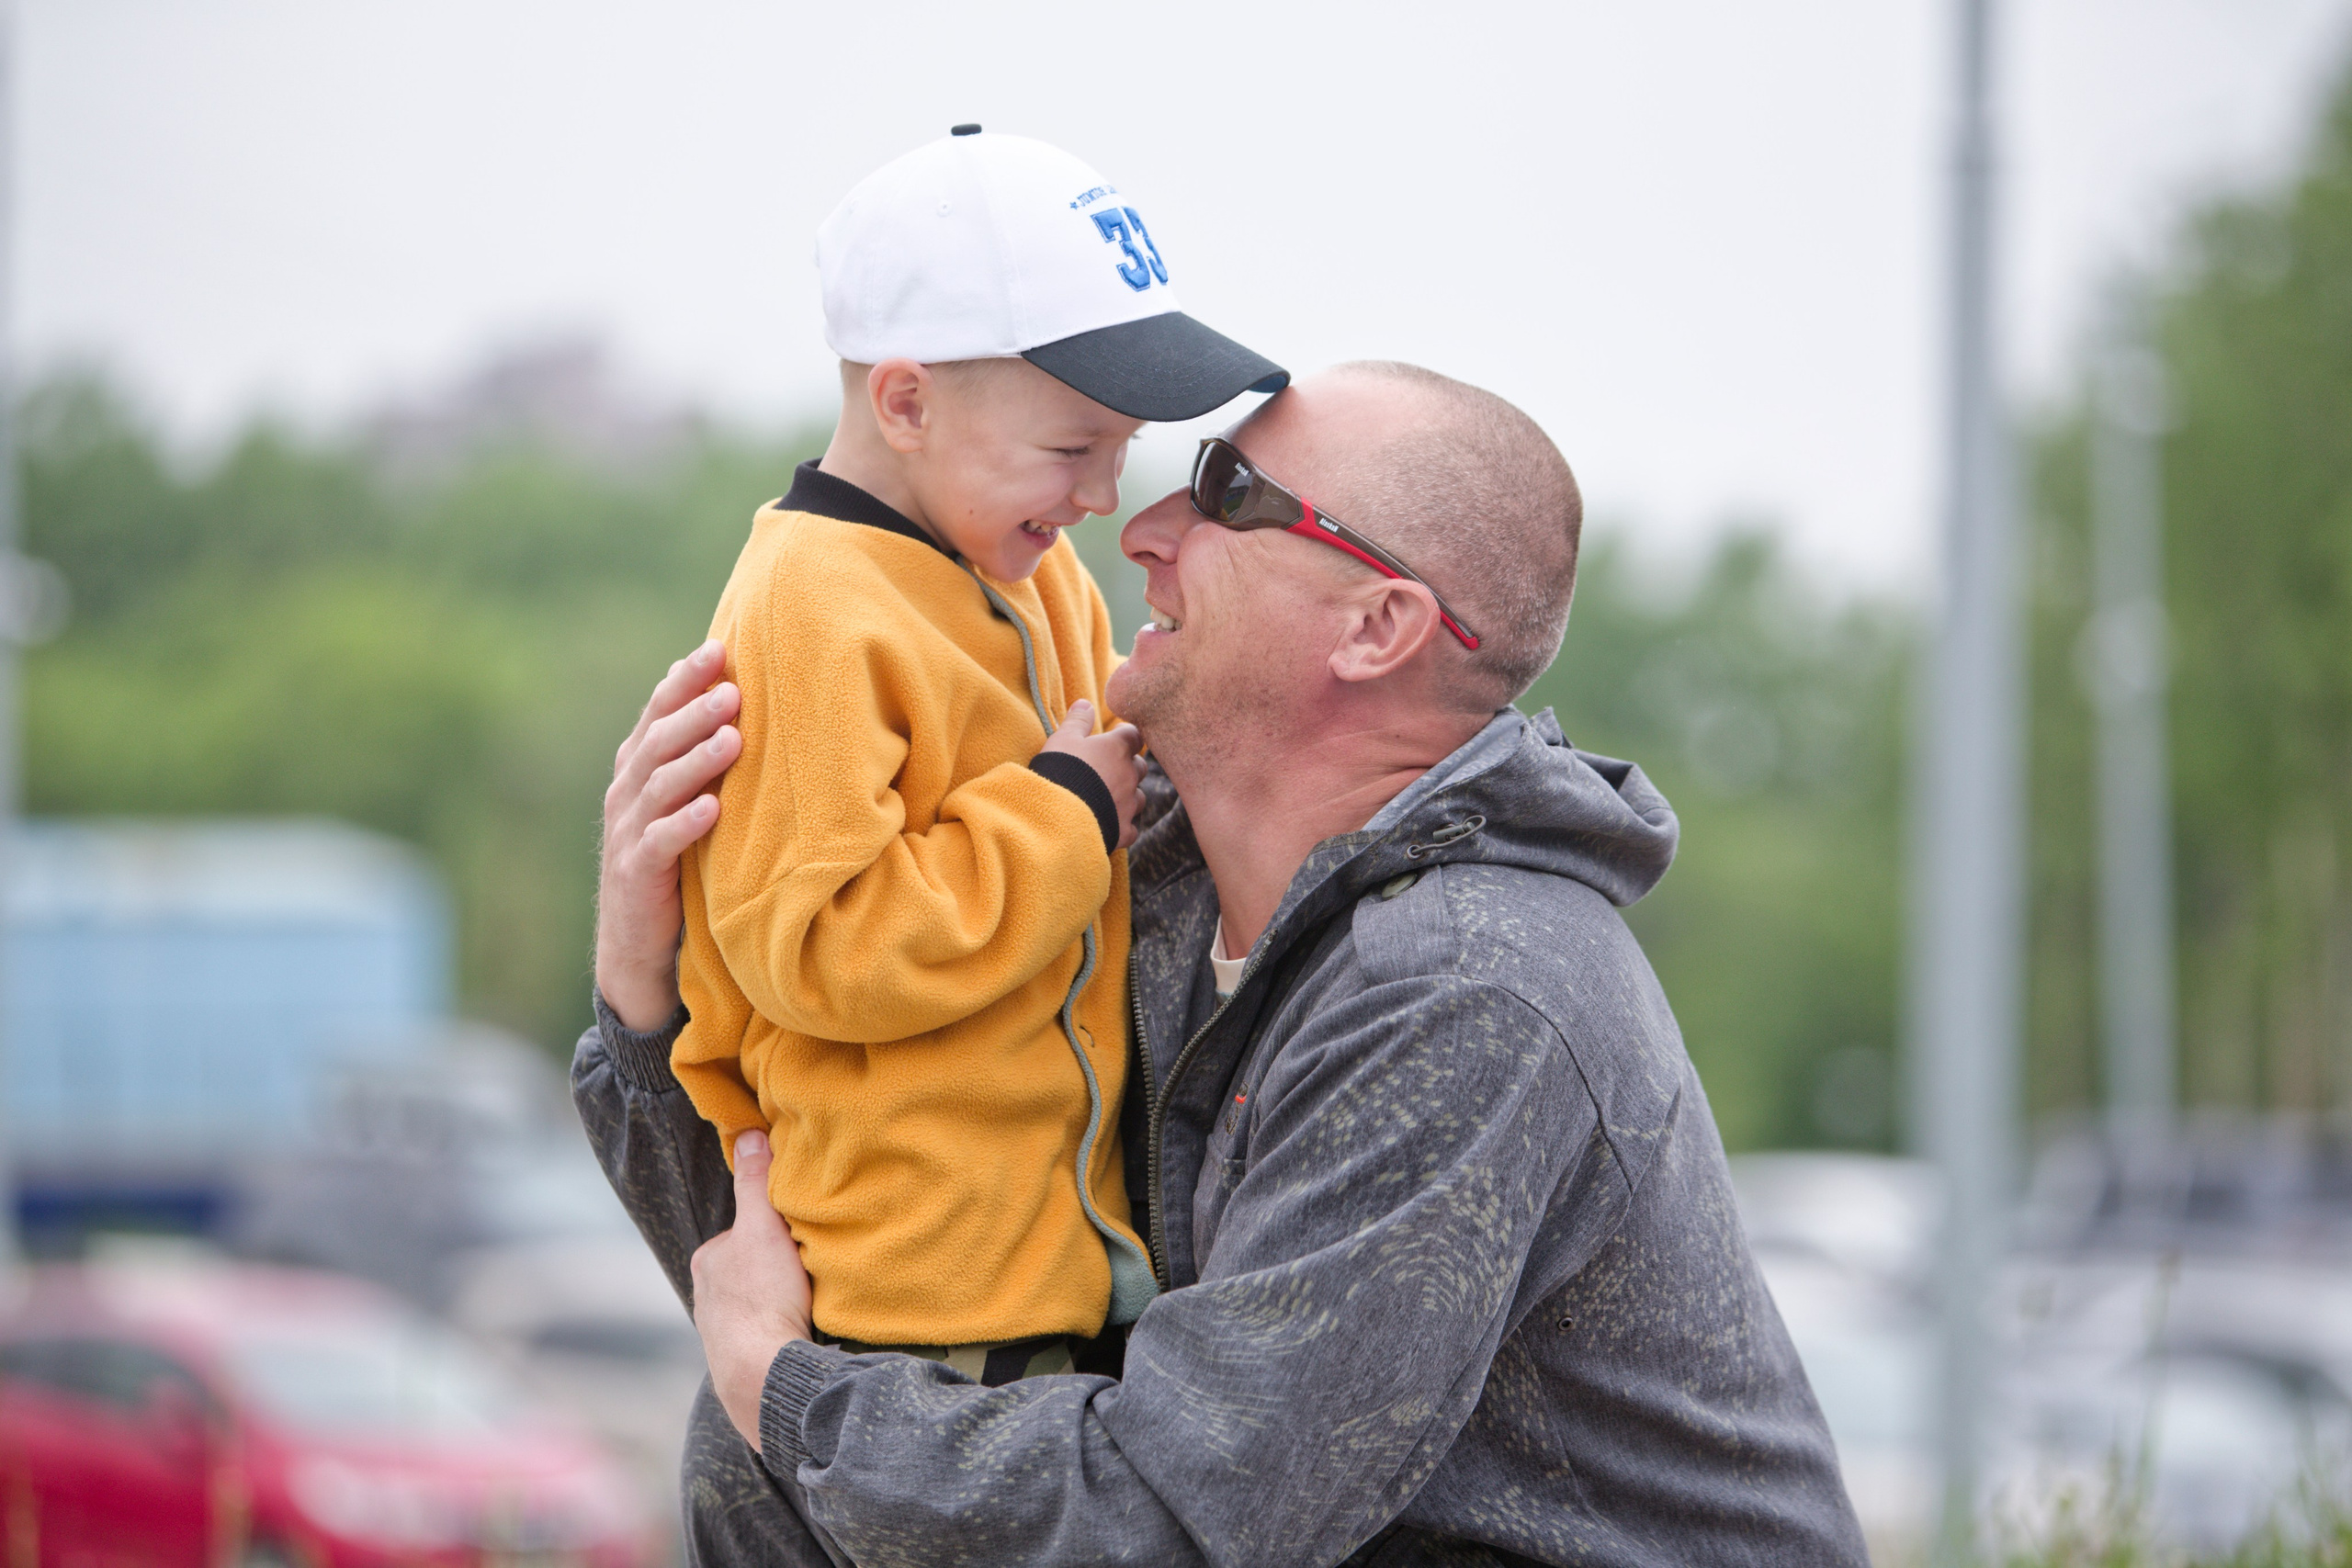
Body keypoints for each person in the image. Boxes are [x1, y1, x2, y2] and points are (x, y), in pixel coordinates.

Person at [578, 363, 1871, 1566]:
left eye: (1225, 495)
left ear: (1378, 625)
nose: (1136, 527)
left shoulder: (1472, 989)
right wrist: (647, 993)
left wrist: (786, 1397)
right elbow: (814, 1282)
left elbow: (1186, 1516)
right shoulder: (1129, 893)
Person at [664, 123, 1287, 1373]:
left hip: (1057, 1265)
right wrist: (1061, 815)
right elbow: (822, 951)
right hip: (925, 1312)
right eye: (1072, 449)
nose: (1105, 497)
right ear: (904, 400)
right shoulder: (811, 606)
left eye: (1120, 450)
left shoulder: (1031, 569)